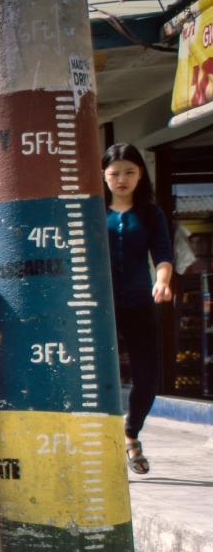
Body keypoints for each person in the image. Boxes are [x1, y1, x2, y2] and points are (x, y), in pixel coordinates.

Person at [102, 142, 173, 475]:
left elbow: (162, 253)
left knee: (147, 380)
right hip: (99, 307)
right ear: (103, 175)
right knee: (101, 377)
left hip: (139, 302)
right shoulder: (91, 210)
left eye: (129, 172)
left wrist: (162, 281)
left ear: (140, 174)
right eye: (115, 173)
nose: (122, 179)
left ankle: (131, 433)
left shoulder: (150, 213)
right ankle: (103, 444)